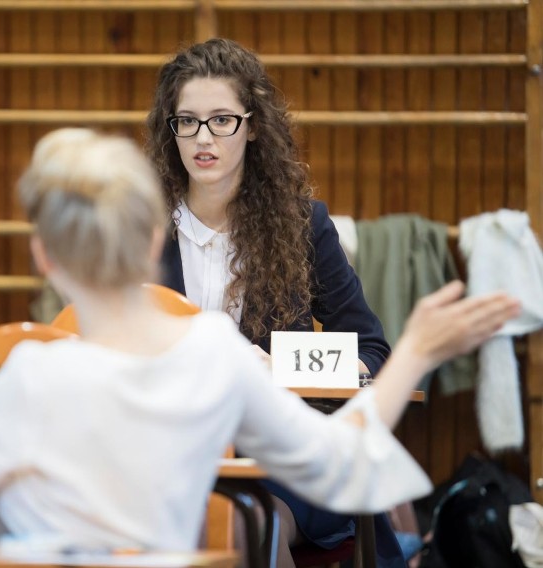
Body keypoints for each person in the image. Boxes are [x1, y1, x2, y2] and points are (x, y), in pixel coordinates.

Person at [0, 127, 519, 557]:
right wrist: (417, 348)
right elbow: (341, 464)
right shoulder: (211, 354)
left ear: (43, 256)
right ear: (155, 235)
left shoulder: (31, 375)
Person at [145, 37, 405, 565]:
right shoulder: (140, 230)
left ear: (253, 125)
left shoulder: (302, 225)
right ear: (169, 130)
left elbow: (373, 351)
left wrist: (279, 366)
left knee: (252, 523)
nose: (203, 137)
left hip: (282, 457)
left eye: (222, 120)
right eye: (187, 121)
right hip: (168, 453)